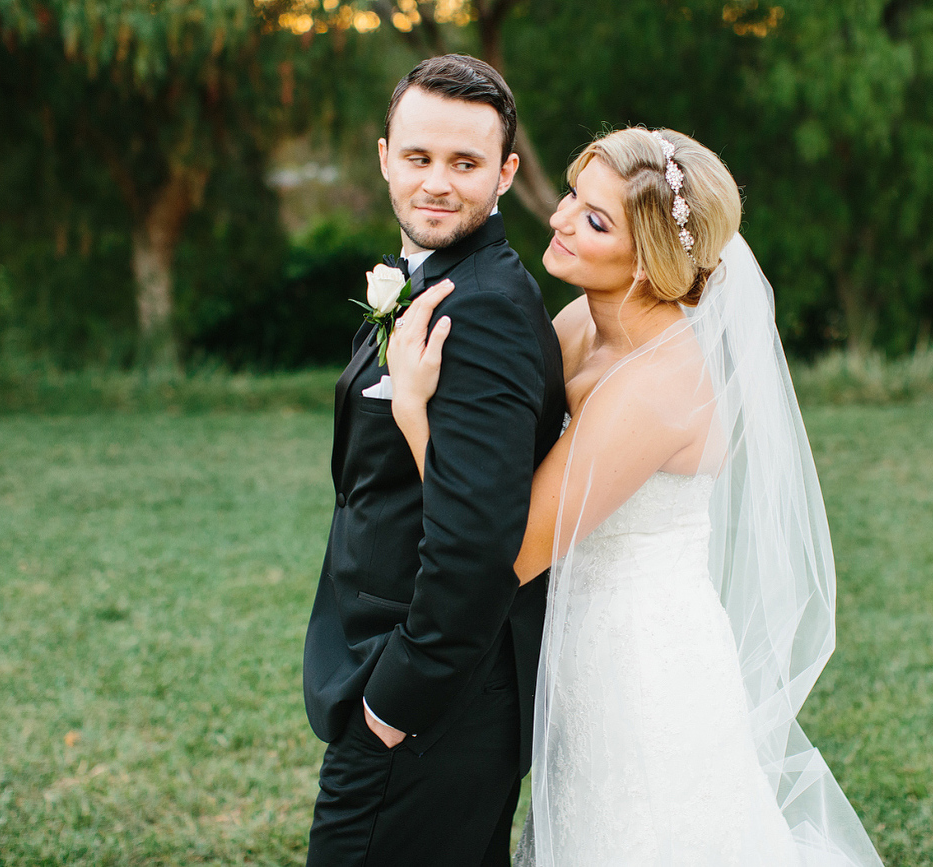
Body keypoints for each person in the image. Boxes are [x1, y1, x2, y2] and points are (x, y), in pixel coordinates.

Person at [386, 127, 884, 865]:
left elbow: (512, 550)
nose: (556, 219)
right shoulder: (587, 319)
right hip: (579, 634)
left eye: (593, 220)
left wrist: (411, 410)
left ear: (650, 261)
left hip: (637, 667)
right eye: (571, 196)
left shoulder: (652, 384)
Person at [301, 55, 566, 867]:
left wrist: (394, 698)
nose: (438, 183)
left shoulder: (478, 311)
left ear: (504, 172)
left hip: (429, 703)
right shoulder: (443, 280)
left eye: (465, 163)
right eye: (418, 158)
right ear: (384, 155)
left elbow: (480, 541)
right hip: (438, 696)